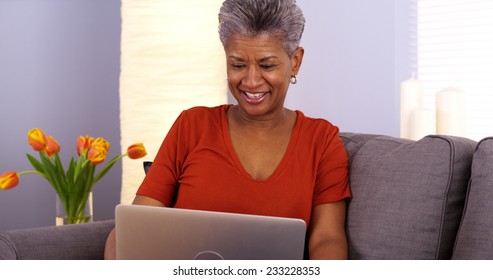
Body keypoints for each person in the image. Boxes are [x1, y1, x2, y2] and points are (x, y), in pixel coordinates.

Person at [105, 0, 351, 260]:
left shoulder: (322, 140)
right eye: (237, 65)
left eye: (267, 65)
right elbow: (135, 227)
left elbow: (327, 238)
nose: (251, 81)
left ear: (296, 61)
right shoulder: (192, 126)